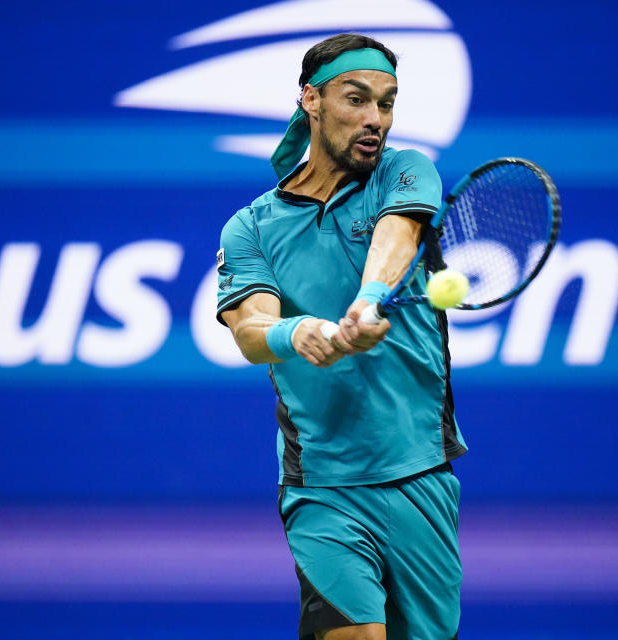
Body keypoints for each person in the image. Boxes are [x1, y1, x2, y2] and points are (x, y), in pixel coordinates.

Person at [216, 33, 466, 640]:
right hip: (322, 483)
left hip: (419, 475)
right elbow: (250, 330)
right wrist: (297, 332)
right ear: (312, 100)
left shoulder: (406, 171)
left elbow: (398, 237)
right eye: (356, 99)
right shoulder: (251, 226)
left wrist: (369, 298)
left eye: (386, 103)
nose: (374, 119)